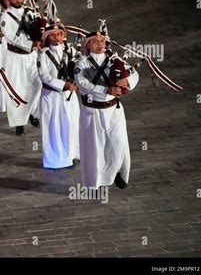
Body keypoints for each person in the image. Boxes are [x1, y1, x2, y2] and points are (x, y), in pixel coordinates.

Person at [74, 29, 139, 189]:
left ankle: (119, 172)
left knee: (119, 142)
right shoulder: (82, 63)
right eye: (95, 41)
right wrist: (105, 90)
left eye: (102, 40)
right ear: (87, 44)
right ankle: (93, 183)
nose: (99, 43)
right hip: (92, 111)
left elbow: (133, 73)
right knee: (94, 149)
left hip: (113, 110)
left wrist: (127, 81)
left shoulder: (114, 60)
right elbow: (82, 83)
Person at [37, 22, 80, 169]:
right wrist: (63, 85)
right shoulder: (42, 55)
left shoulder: (71, 51)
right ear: (47, 38)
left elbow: (80, 67)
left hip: (69, 95)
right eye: (53, 35)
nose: (56, 37)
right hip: (51, 96)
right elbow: (44, 76)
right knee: (53, 127)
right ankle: (54, 160)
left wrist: (77, 80)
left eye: (59, 34)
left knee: (71, 124)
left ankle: (71, 155)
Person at [0, 0, 42, 135]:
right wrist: (31, 43)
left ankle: (32, 112)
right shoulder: (6, 16)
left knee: (38, 83)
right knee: (17, 89)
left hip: (32, 56)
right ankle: (19, 122)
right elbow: (10, 36)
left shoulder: (31, 13)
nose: (18, 0)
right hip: (15, 57)